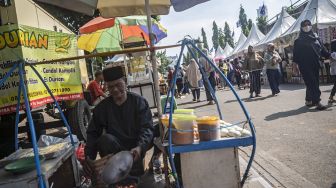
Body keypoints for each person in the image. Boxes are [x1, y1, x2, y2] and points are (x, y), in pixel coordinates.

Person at [83, 66, 154, 180]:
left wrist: (140, 147)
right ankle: (116, 178)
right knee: (105, 139)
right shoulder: (102, 108)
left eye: (118, 85)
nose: (115, 89)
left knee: (160, 130)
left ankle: (138, 171)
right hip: (115, 154)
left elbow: (147, 128)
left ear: (125, 82)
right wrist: (88, 157)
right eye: (111, 86)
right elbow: (92, 133)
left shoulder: (139, 102)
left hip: (135, 150)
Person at [293, 20, 330, 110]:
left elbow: (323, 50)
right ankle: (317, 102)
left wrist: (331, 56)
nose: (307, 26)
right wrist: (295, 66)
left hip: (315, 64)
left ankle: (308, 100)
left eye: (309, 24)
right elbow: (295, 55)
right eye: (305, 25)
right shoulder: (298, 41)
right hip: (304, 65)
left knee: (313, 83)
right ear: (301, 27)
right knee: (312, 83)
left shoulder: (316, 38)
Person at [328, 40, 336, 104]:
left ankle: (331, 97)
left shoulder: (332, 53)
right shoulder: (334, 54)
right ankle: (331, 97)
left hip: (333, 71)